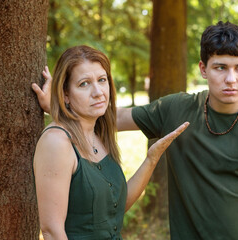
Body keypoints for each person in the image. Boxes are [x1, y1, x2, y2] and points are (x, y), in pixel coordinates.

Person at [33, 22, 238, 239]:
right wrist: (58, 105)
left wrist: (64, 103)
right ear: (203, 69)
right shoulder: (177, 110)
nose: (231, 79)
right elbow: (110, 116)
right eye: (221, 67)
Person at [32, 45, 189, 240]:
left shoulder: (98, 133)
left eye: (102, 80)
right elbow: (52, 231)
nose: (98, 92)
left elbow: (116, 209)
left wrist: (151, 159)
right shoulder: (56, 143)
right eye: (84, 84)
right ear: (65, 93)